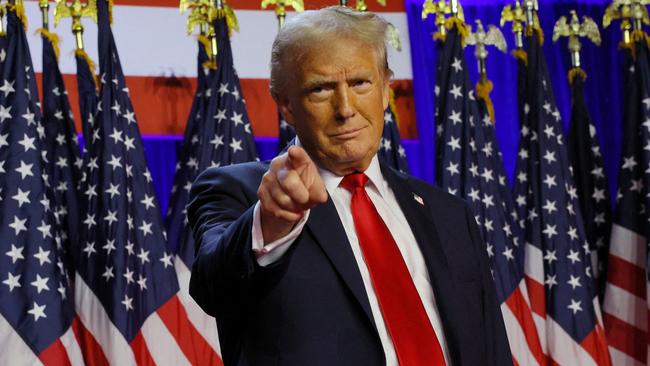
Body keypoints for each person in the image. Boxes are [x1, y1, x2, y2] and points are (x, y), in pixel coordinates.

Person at [188, 6, 511, 366]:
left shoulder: (450, 215)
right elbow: (212, 288)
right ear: (286, 105)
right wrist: (272, 222)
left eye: (360, 83)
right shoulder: (241, 193)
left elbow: (490, 346)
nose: (345, 109)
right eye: (321, 89)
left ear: (386, 89)